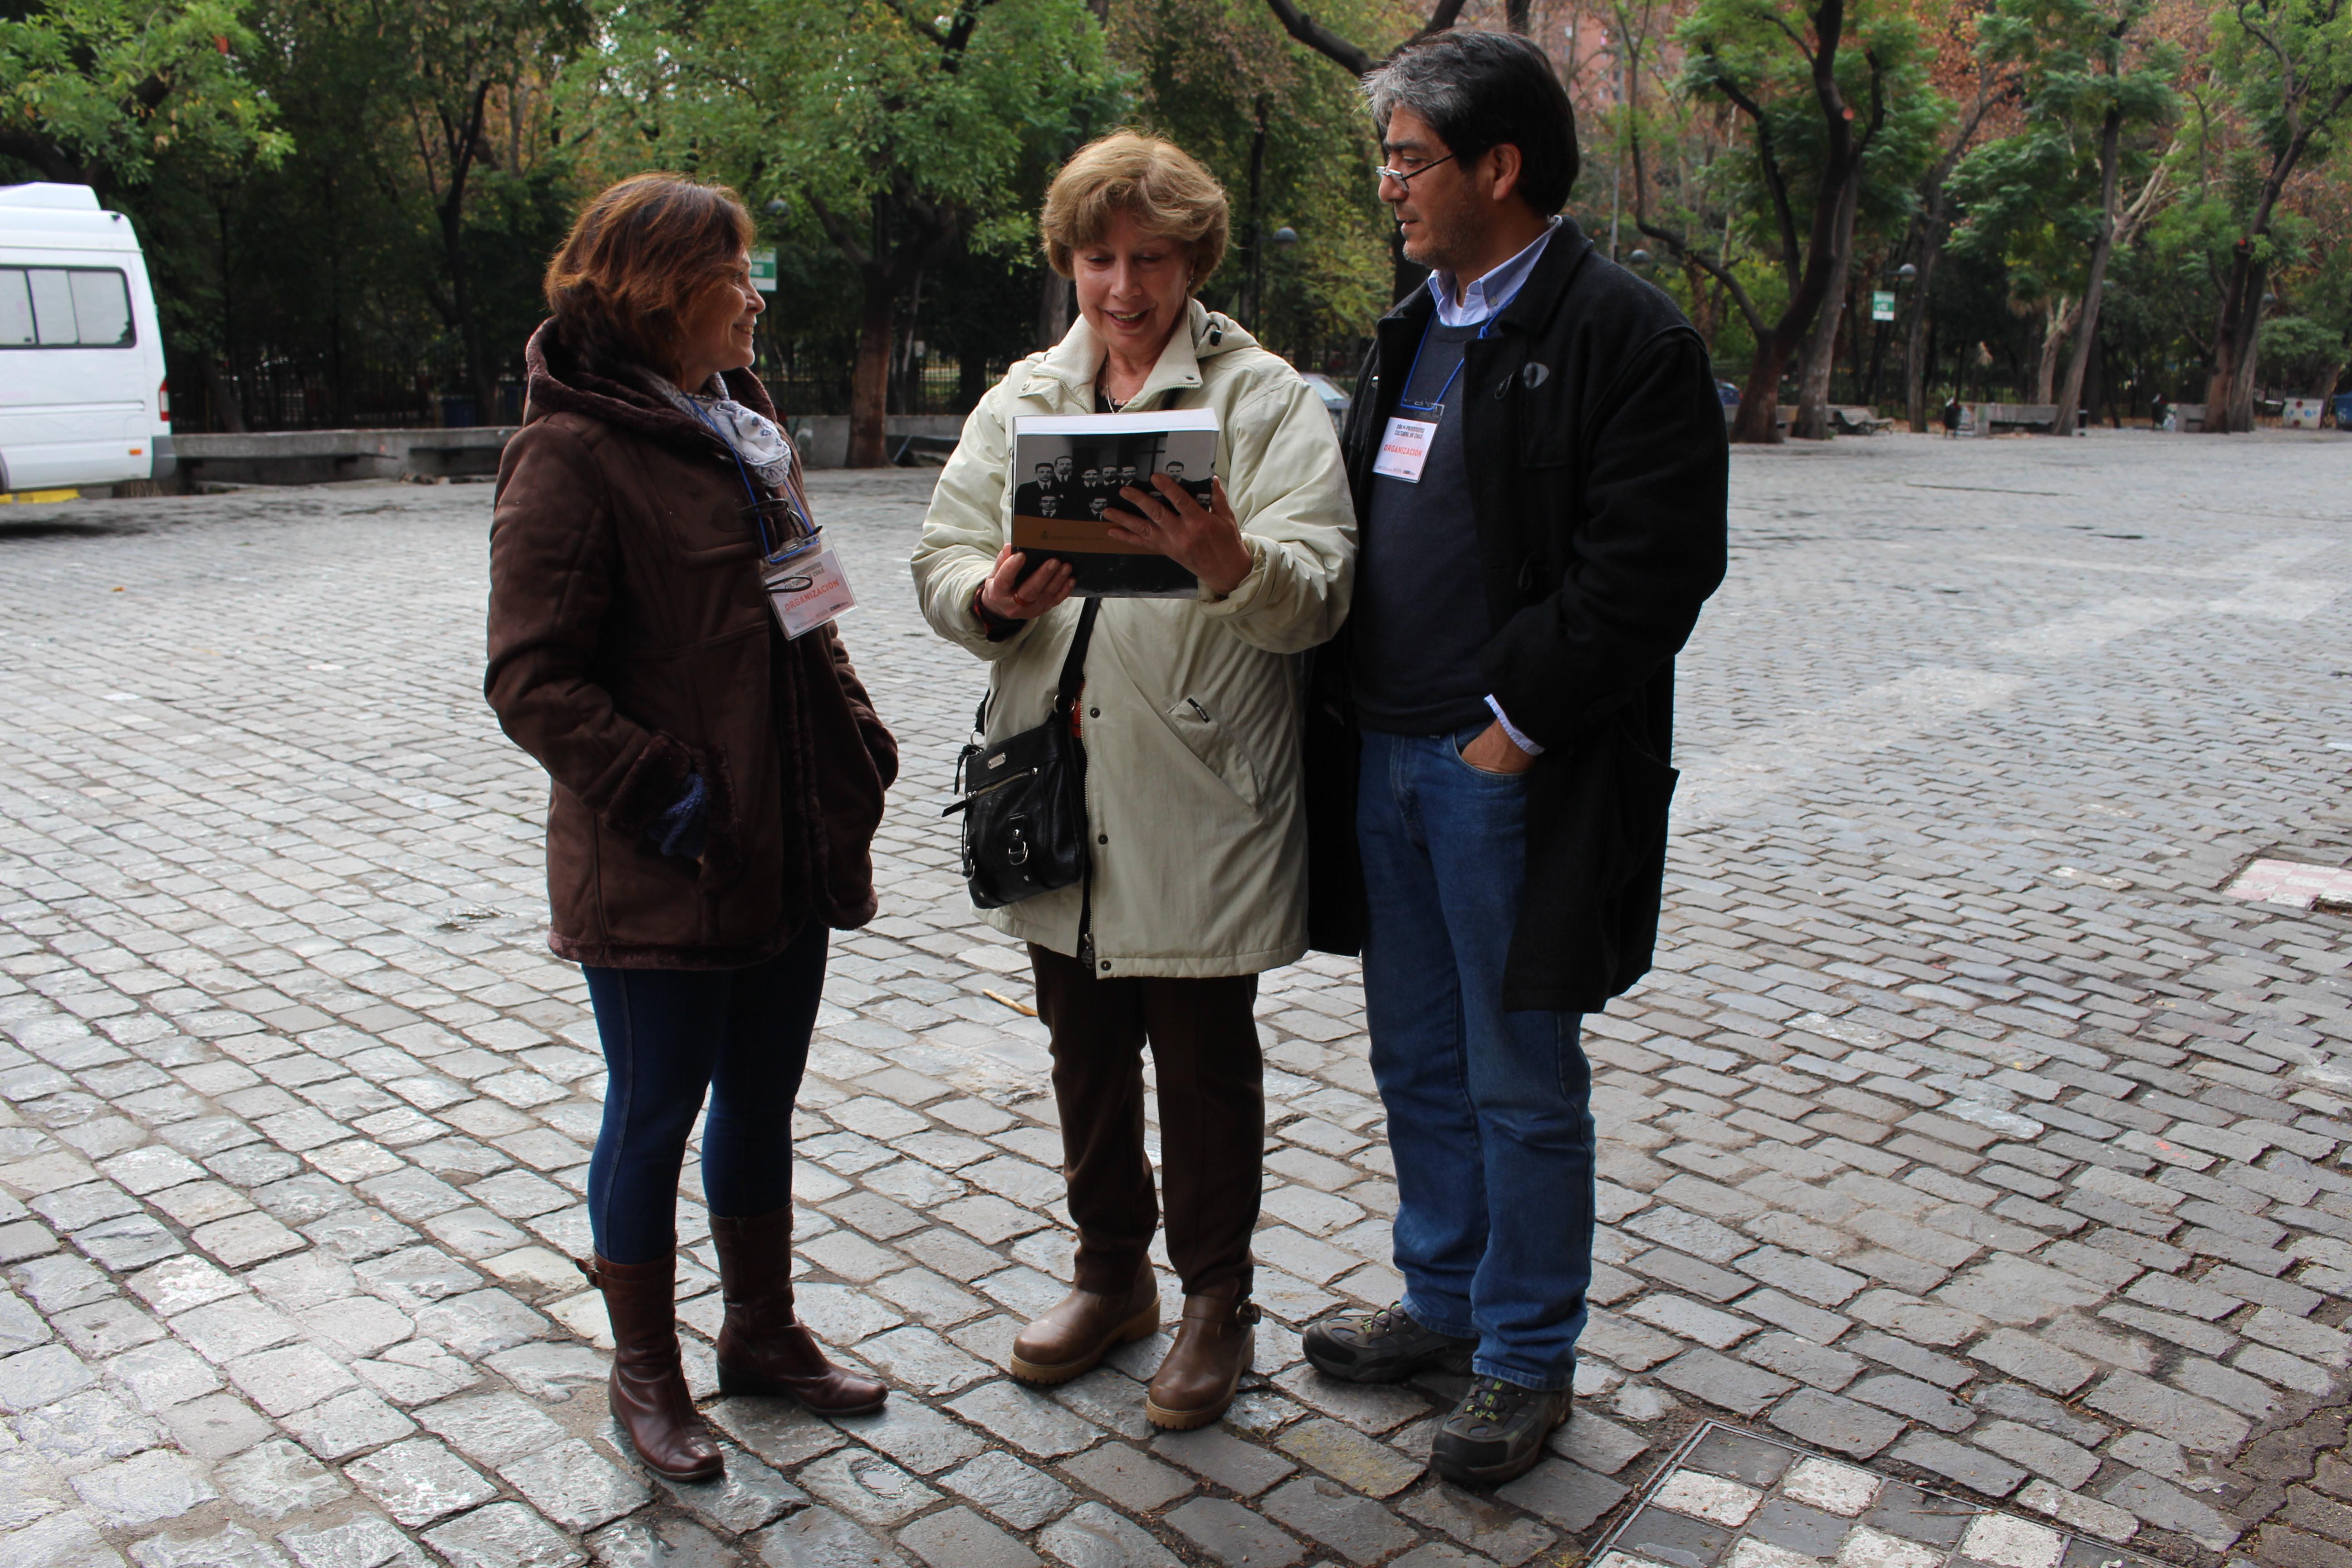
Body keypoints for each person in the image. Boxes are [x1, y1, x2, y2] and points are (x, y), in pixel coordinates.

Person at [1297, 32, 1727, 1485]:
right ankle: (1440, 1299)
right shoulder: (1413, 324)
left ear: (1502, 166)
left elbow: (1652, 568)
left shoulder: (1628, 336)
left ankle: (1526, 1356)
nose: (1390, 188)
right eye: (1389, 161)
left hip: (1507, 777)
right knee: (1416, 1057)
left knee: (1520, 1075)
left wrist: (1508, 735)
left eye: (1411, 160)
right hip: (1385, 759)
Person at [912, 131, 1354, 1431]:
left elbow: (1320, 589)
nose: (1122, 286)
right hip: (1052, 771)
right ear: (1069, 262)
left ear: (1192, 261)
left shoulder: (1263, 400)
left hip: (1202, 778)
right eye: (1098, 258)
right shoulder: (1027, 397)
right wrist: (989, 597)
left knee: (1204, 1060)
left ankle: (1217, 1301)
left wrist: (1233, 561)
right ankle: (1111, 1275)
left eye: (1149, 259)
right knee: (1083, 1049)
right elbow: (940, 555)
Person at [485, 172, 898, 1481]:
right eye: (736, 273)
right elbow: (530, 677)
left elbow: (802, 607)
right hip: (669, 858)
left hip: (784, 838)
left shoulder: (744, 427)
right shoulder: (571, 453)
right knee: (655, 1108)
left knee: (762, 1096)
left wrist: (855, 730)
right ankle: (645, 1375)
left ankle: (760, 1335)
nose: (757, 295)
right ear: (666, 296)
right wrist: (675, 793)